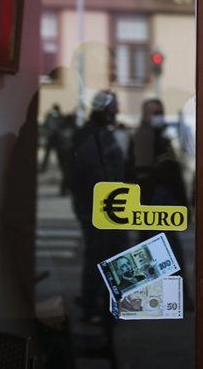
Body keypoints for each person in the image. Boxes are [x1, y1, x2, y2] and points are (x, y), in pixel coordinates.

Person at [69, 90, 128, 324]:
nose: (116, 112)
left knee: (108, 254)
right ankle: (93, 305)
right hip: (99, 208)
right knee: (99, 254)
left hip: (106, 207)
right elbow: (96, 175)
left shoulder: (99, 134)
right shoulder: (92, 136)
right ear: (104, 109)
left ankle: (101, 303)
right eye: (113, 107)